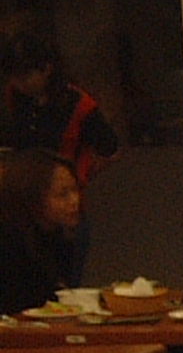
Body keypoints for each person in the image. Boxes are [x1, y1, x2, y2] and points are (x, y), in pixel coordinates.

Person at [0, 24, 117, 186]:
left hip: (62, 186)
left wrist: (82, 174)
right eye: (14, 77)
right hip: (27, 185)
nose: (19, 84)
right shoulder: (16, 96)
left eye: (25, 76)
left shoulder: (78, 104)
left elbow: (109, 147)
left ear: (46, 69)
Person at [0, 147, 81, 312]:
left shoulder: (59, 237)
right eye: (62, 194)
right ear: (32, 197)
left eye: (75, 190)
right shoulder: (9, 243)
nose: (75, 201)